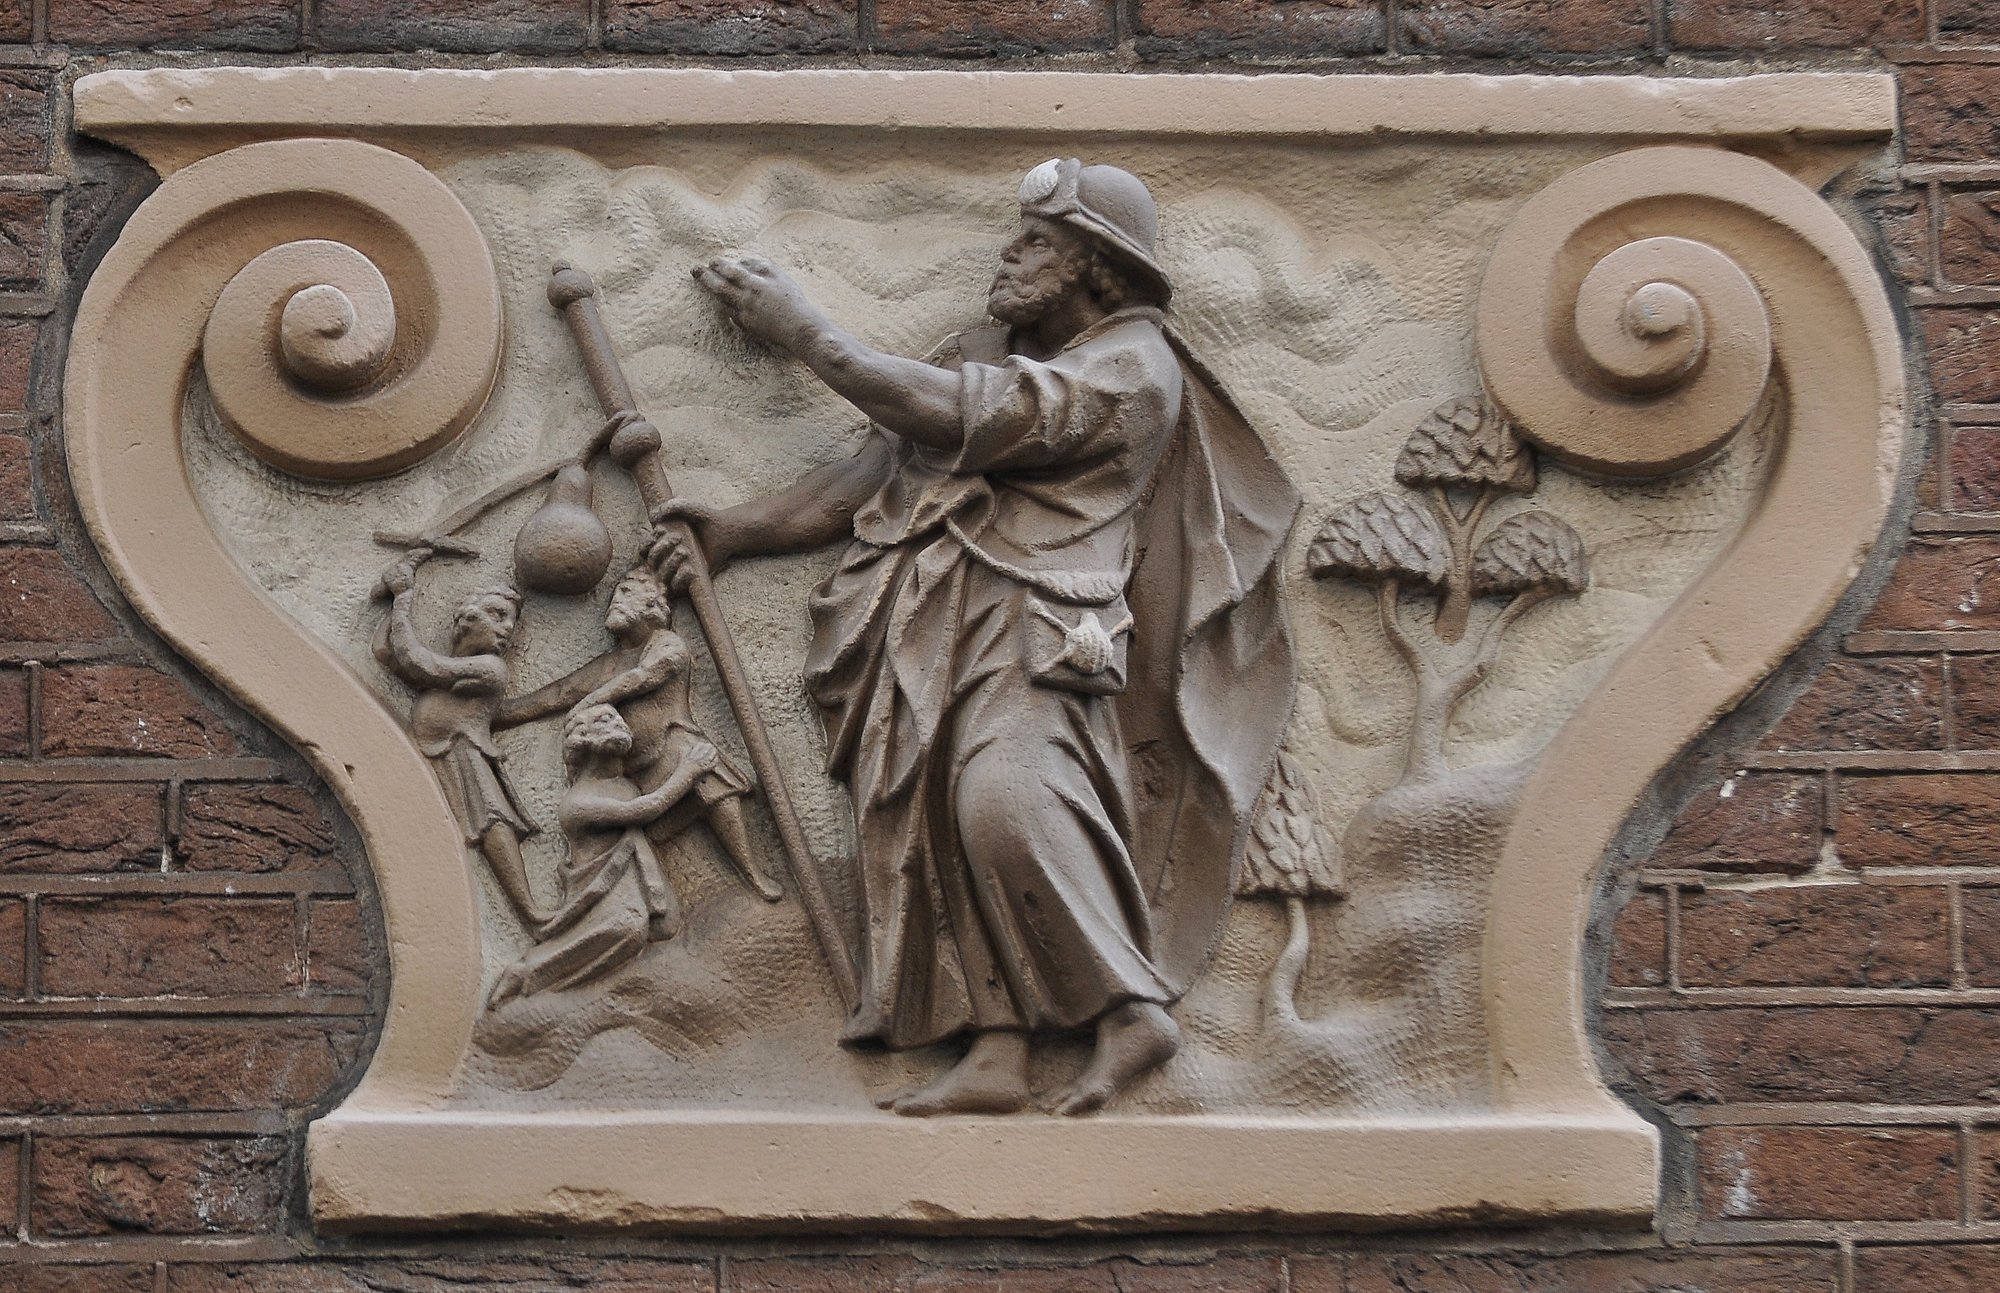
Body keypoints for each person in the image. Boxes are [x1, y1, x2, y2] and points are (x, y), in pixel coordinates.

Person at [655, 158, 1299, 1115]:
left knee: (1009, 801)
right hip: (929, 623)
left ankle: (1130, 1009)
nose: (1010, 254)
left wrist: (807, 334)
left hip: (1039, 627)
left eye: (1037, 242)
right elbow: (869, 477)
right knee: (934, 832)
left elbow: (960, 416)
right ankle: (996, 1045)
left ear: (1096, 268)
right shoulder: (978, 349)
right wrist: (735, 532)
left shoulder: (1133, 367)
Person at [496, 565, 783, 903]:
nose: (615, 600)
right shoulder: (609, 662)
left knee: (710, 781)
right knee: (626, 825)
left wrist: (587, 705)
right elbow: (559, 694)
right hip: (632, 768)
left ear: (653, 606)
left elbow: (641, 677)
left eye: (627, 592)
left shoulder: (667, 644)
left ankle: (750, 871)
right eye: (617, 594)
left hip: (673, 743)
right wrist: (499, 715)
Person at [488, 703, 718, 1004]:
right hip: (599, 895)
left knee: (666, 925)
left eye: (617, 718)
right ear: (583, 740)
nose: (619, 723)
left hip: (635, 884)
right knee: (627, 927)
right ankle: (529, 974)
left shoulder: (623, 786)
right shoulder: (578, 803)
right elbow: (643, 810)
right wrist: (688, 772)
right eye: (605, 720)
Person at [372, 552, 543, 925]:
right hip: (437, 758)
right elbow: (386, 652)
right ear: (466, 618)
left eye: (511, 622)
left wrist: (403, 596)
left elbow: (418, 662)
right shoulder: (453, 670)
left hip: (464, 759)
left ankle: (530, 911)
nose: (507, 628)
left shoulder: (491, 670)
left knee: (492, 822)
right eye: (497, 615)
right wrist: (394, 596)